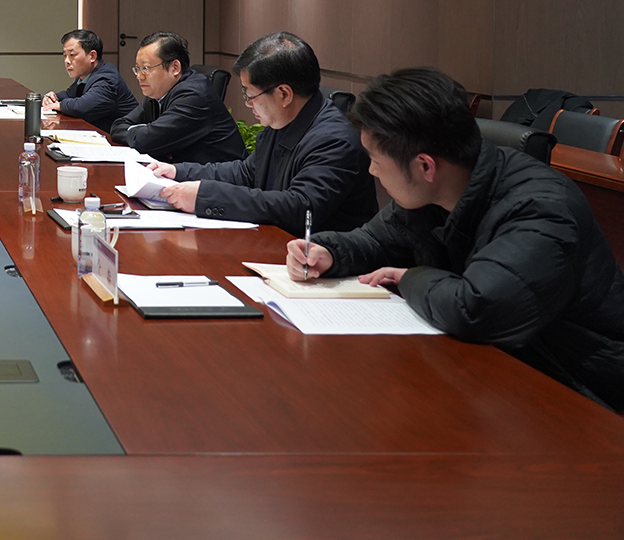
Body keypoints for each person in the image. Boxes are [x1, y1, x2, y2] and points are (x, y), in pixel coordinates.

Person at [287, 67, 624, 411]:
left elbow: (475, 309)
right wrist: (328, 252)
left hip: (581, 395)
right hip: (496, 378)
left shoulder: (540, 208)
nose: (371, 171)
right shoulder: (436, 190)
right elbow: (376, 240)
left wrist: (409, 277)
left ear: (425, 166)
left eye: (374, 160)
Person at [149, 32, 377, 234]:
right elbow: (246, 173)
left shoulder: (334, 140)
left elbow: (299, 207)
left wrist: (206, 196)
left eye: (250, 95)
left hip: (320, 259)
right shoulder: (283, 122)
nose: (248, 103)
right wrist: (177, 172)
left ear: (284, 94)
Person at [110, 31, 245, 163]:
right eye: (137, 69)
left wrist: (151, 138)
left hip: (217, 175)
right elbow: (118, 126)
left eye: (145, 68)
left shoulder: (194, 96)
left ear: (175, 68)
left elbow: (147, 141)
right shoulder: (158, 93)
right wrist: (151, 138)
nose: (139, 76)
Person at [41, 28, 138, 130]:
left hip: (125, 137)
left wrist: (59, 105)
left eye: (72, 55)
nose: (66, 61)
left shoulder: (107, 77)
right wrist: (52, 97)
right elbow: (70, 94)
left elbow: (82, 107)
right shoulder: (86, 75)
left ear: (92, 56)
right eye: (65, 55)